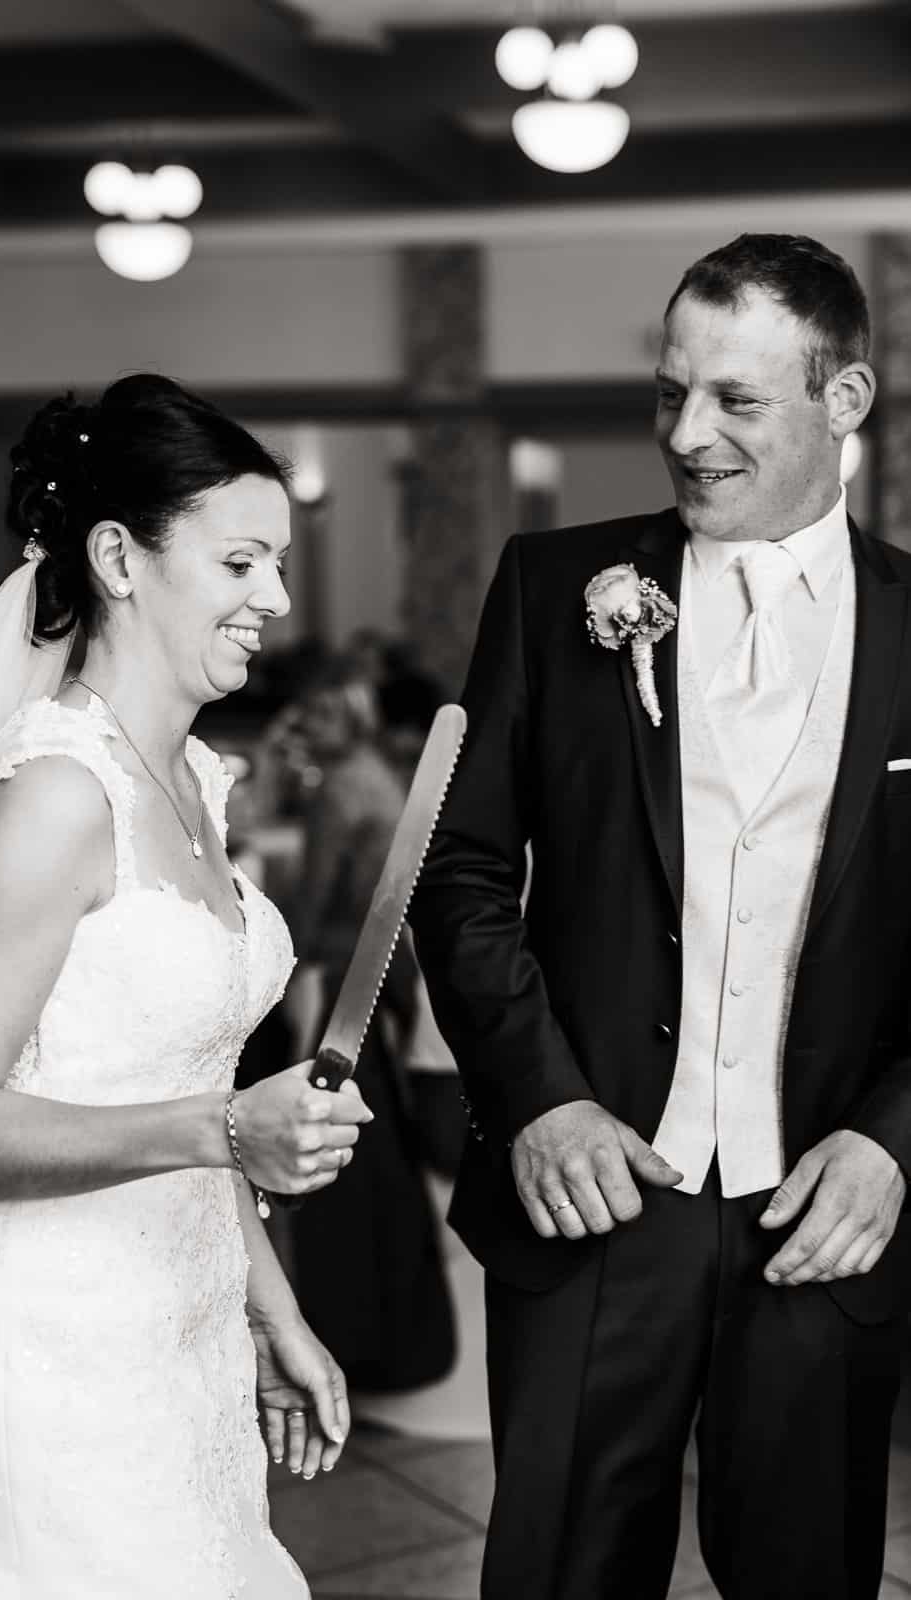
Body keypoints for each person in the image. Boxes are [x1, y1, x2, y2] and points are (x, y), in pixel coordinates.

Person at [410, 234, 911, 1600]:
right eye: (669, 391)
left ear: (842, 400)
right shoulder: (547, 585)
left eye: (733, 400)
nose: (685, 434)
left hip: (822, 1206)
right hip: (590, 1193)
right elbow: (456, 869)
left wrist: (890, 1140)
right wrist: (537, 1097)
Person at [0, 374, 373, 1599]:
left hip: (181, 1340)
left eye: (278, 564)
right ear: (119, 558)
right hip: (48, 1364)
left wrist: (268, 1307)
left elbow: (177, 1079)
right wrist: (227, 1128)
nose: (276, 599)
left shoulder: (191, 781)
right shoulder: (51, 798)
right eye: (241, 562)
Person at [286, 660, 455, 1394]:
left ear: (352, 721)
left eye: (321, 717)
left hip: (349, 978)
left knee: (340, 1160)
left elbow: (313, 899)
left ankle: (354, 1333)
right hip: (388, 972)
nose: (307, 728)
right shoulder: (376, 774)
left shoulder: (340, 788)